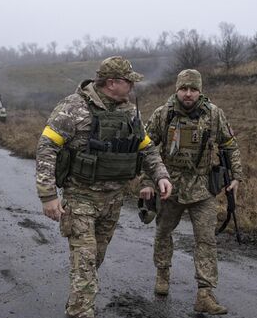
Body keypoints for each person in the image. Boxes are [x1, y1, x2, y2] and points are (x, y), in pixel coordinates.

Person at [35, 56, 173, 318]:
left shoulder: (129, 111)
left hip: (113, 201)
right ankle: (81, 311)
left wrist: (161, 176)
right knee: (86, 264)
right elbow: (46, 147)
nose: (132, 87)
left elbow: (146, 148)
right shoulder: (73, 107)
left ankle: (78, 302)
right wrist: (48, 195)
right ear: (112, 83)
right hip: (80, 199)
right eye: (129, 81)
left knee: (93, 259)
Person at [139, 69, 243, 315]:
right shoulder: (163, 114)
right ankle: (162, 275)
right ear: (177, 89)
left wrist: (237, 176)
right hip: (169, 187)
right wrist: (147, 181)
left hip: (203, 189)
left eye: (193, 89)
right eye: (184, 89)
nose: (188, 94)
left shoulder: (214, 114)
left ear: (200, 90)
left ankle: (205, 293)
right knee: (163, 232)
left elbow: (230, 145)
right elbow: (146, 148)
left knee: (206, 240)